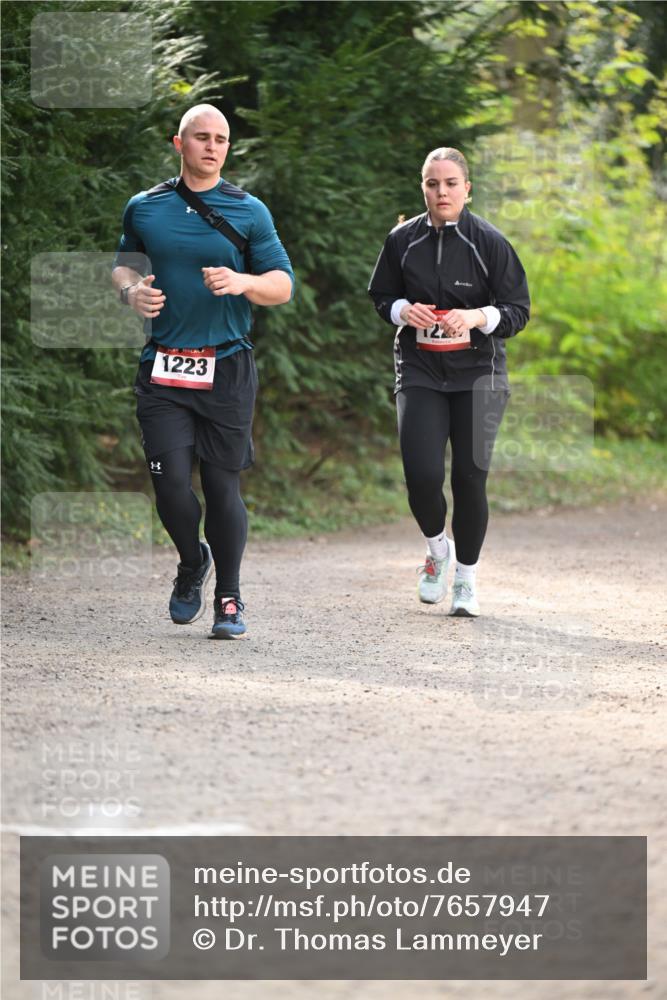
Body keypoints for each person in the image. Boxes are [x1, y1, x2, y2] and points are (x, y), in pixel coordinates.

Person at [112, 104, 294, 638]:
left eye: (221, 139)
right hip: (164, 367)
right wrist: (130, 291)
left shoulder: (249, 211)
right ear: (179, 143)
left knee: (222, 488)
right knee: (169, 487)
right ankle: (193, 561)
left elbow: (282, 285)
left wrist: (243, 283)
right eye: (201, 138)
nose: (212, 146)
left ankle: (230, 598)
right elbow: (124, 262)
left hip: (227, 366)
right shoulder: (145, 207)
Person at [368, 147, 529, 617]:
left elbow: (518, 310)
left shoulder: (489, 242)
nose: (441, 192)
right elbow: (381, 296)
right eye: (432, 184)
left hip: (480, 374)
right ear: (423, 188)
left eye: (450, 184)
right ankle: (438, 552)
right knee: (421, 475)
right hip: (420, 369)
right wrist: (403, 310)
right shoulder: (402, 240)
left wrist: (476, 316)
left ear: (467, 189)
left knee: (469, 478)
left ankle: (466, 579)